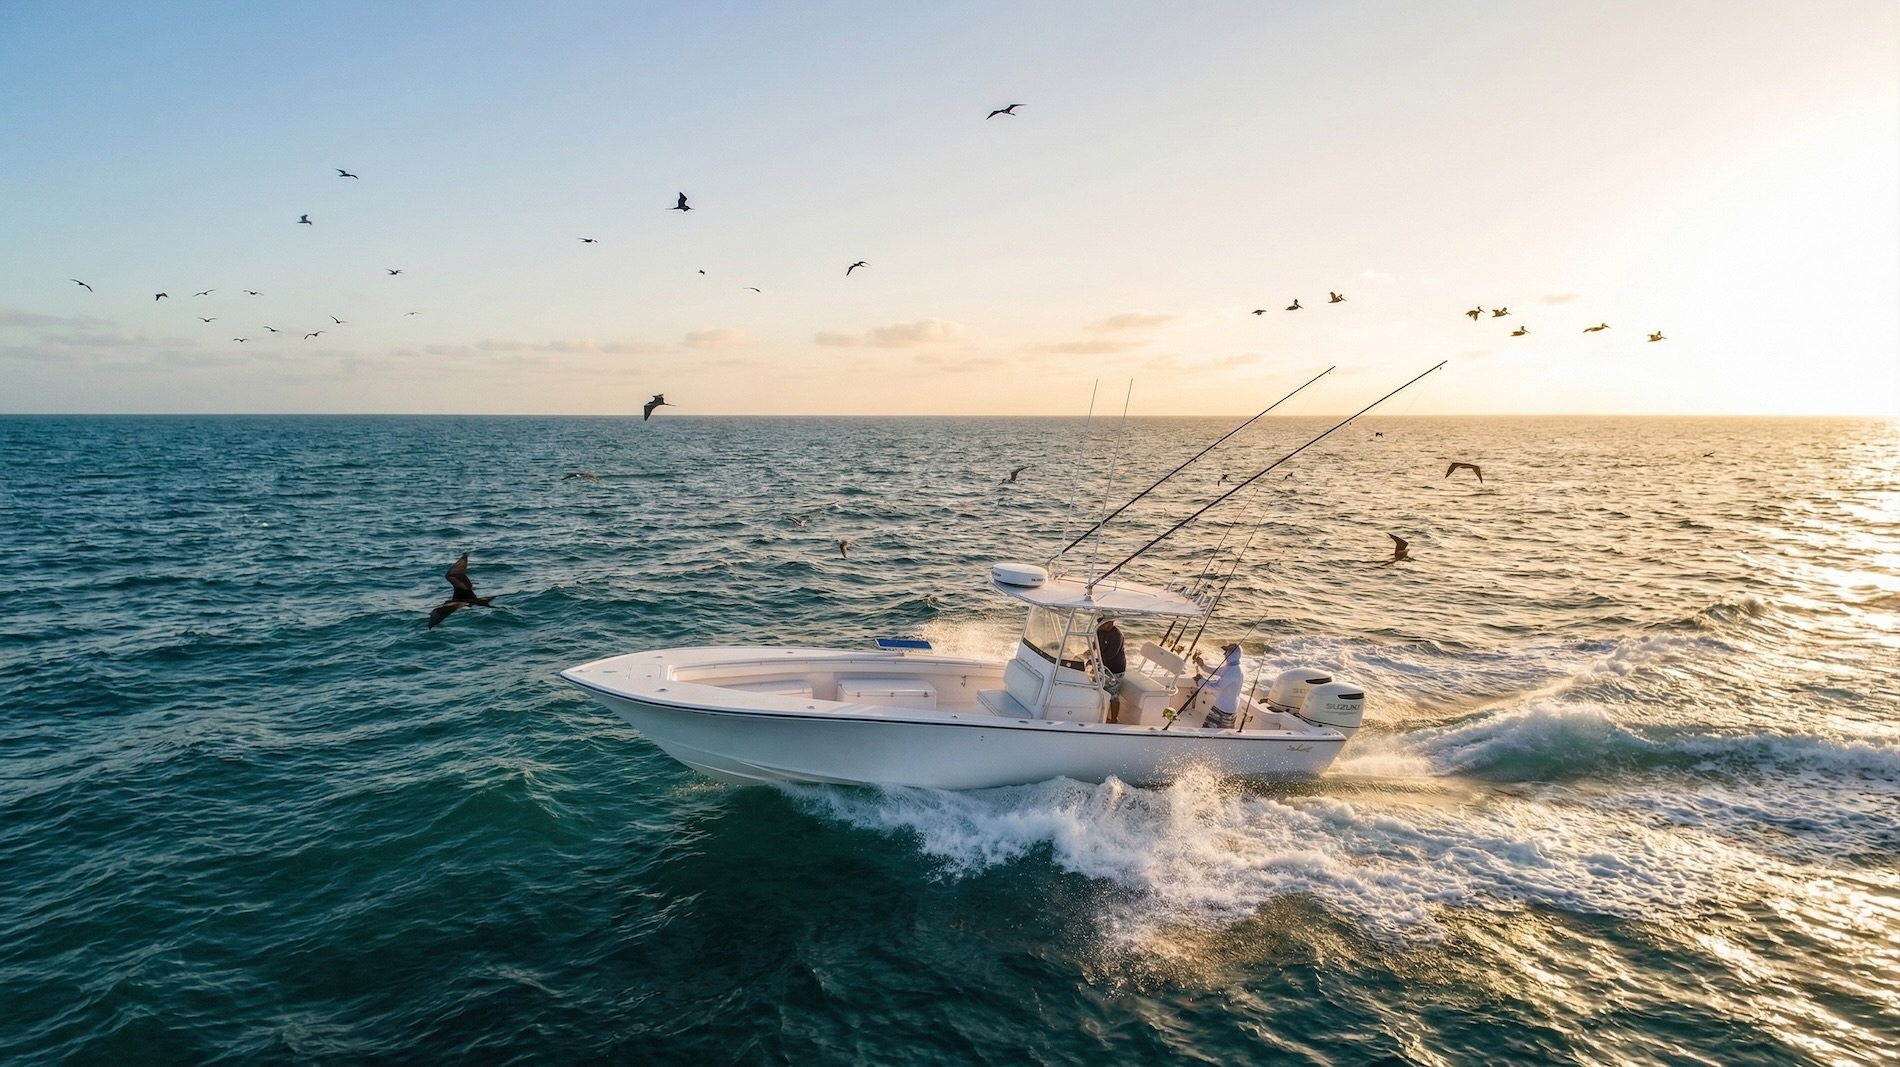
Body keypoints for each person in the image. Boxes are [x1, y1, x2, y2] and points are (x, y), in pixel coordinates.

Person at [1192, 641, 1245, 730]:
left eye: (1227, 651)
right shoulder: (1230, 666)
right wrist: (1202, 665)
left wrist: (1200, 681)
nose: (1224, 653)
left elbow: (1217, 686)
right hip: (1222, 707)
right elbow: (1215, 671)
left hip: (1225, 710)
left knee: (1208, 731)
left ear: (1234, 654)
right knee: (1213, 731)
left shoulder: (1235, 670)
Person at [1095, 617, 1127, 723]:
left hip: (1116, 667)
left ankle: (1113, 719)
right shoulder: (1099, 631)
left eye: (1104, 623)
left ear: (1111, 623)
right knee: (1102, 691)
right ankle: (1103, 716)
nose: (1101, 625)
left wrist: (1095, 660)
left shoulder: (1117, 635)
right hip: (1103, 665)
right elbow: (1095, 646)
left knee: (1113, 695)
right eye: (1100, 622)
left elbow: (1110, 655)